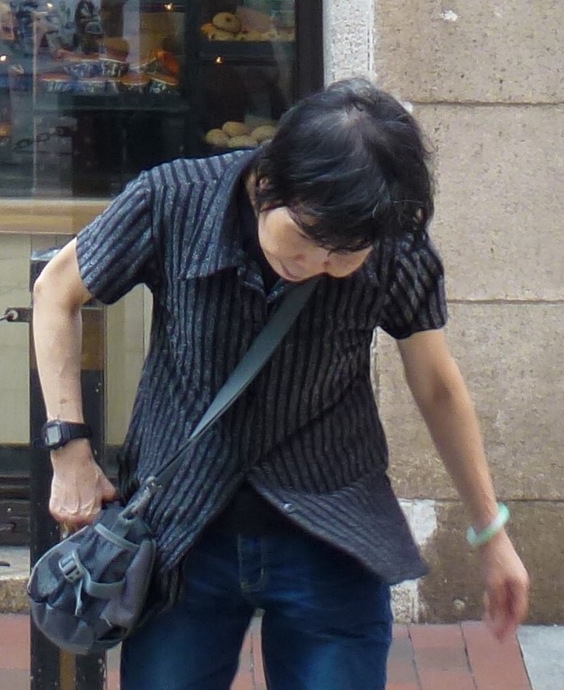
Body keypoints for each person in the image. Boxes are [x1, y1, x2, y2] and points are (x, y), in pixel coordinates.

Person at [33, 79, 528, 690]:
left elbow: (438, 388)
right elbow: (56, 290)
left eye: (345, 253)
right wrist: (70, 451)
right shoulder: (176, 199)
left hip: (332, 532)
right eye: (308, 236)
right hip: (180, 536)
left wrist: (491, 533)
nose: (319, 262)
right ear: (267, 182)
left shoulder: (393, 244)